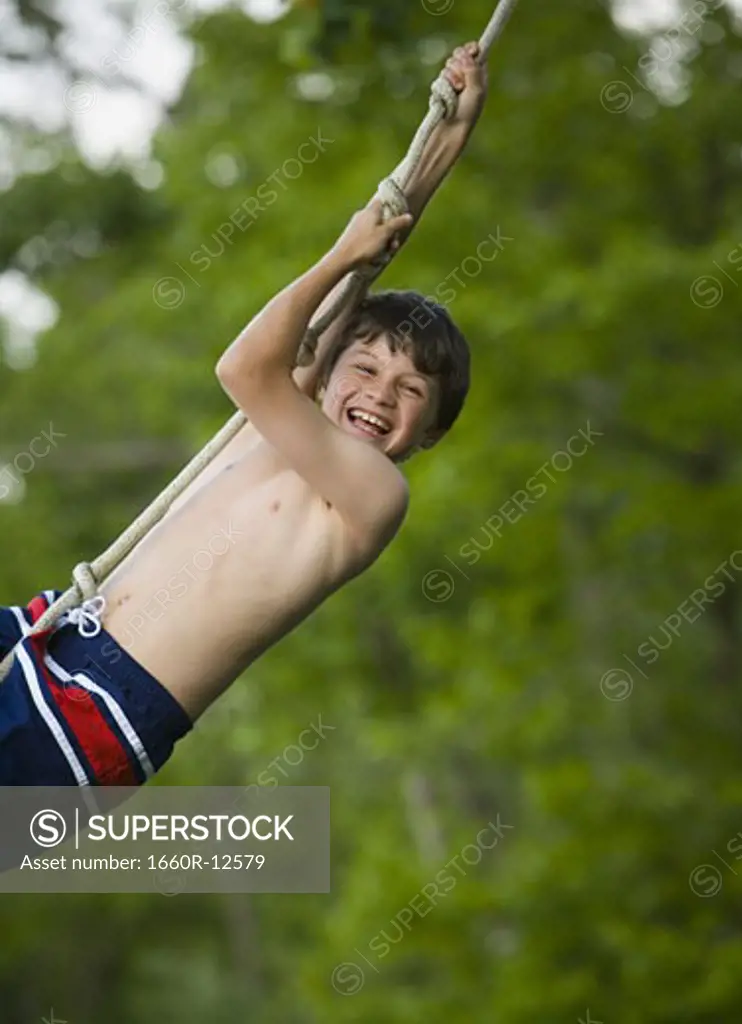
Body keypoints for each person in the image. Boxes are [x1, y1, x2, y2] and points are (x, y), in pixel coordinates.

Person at [0, 42, 488, 787]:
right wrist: (443, 139)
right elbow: (382, 241)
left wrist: (337, 256)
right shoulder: (297, 402)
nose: (379, 396)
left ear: (431, 433)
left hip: (99, 714)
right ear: (328, 370)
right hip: (53, 630)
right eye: (365, 368)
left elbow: (243, 367)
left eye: (409, 391)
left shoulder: (370, 493)